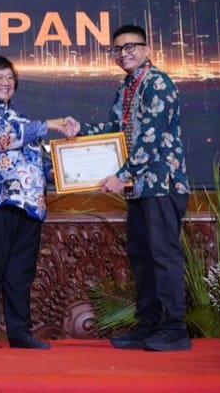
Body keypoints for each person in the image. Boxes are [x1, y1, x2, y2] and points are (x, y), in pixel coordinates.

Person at [69, 24, 191, 351]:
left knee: (163, 255)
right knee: (142, 257)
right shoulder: (127, 87)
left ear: (147, 48)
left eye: (131, 47)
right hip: (139, 187)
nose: (124, 54)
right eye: (118, 49)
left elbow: (150, 139)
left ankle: (174, 329)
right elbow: (117, 131)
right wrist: (81, 130)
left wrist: (121, 174)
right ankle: (148, 324)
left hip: (162, 184)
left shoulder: (157, 83)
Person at [0, 55, 75, 351]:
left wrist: (77, 172)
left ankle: (20, 333)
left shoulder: (23, 121)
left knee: (20, 273)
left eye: (10, 77)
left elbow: (43, 165)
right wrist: (49, 124)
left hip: (28, 206)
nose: (5, 82)